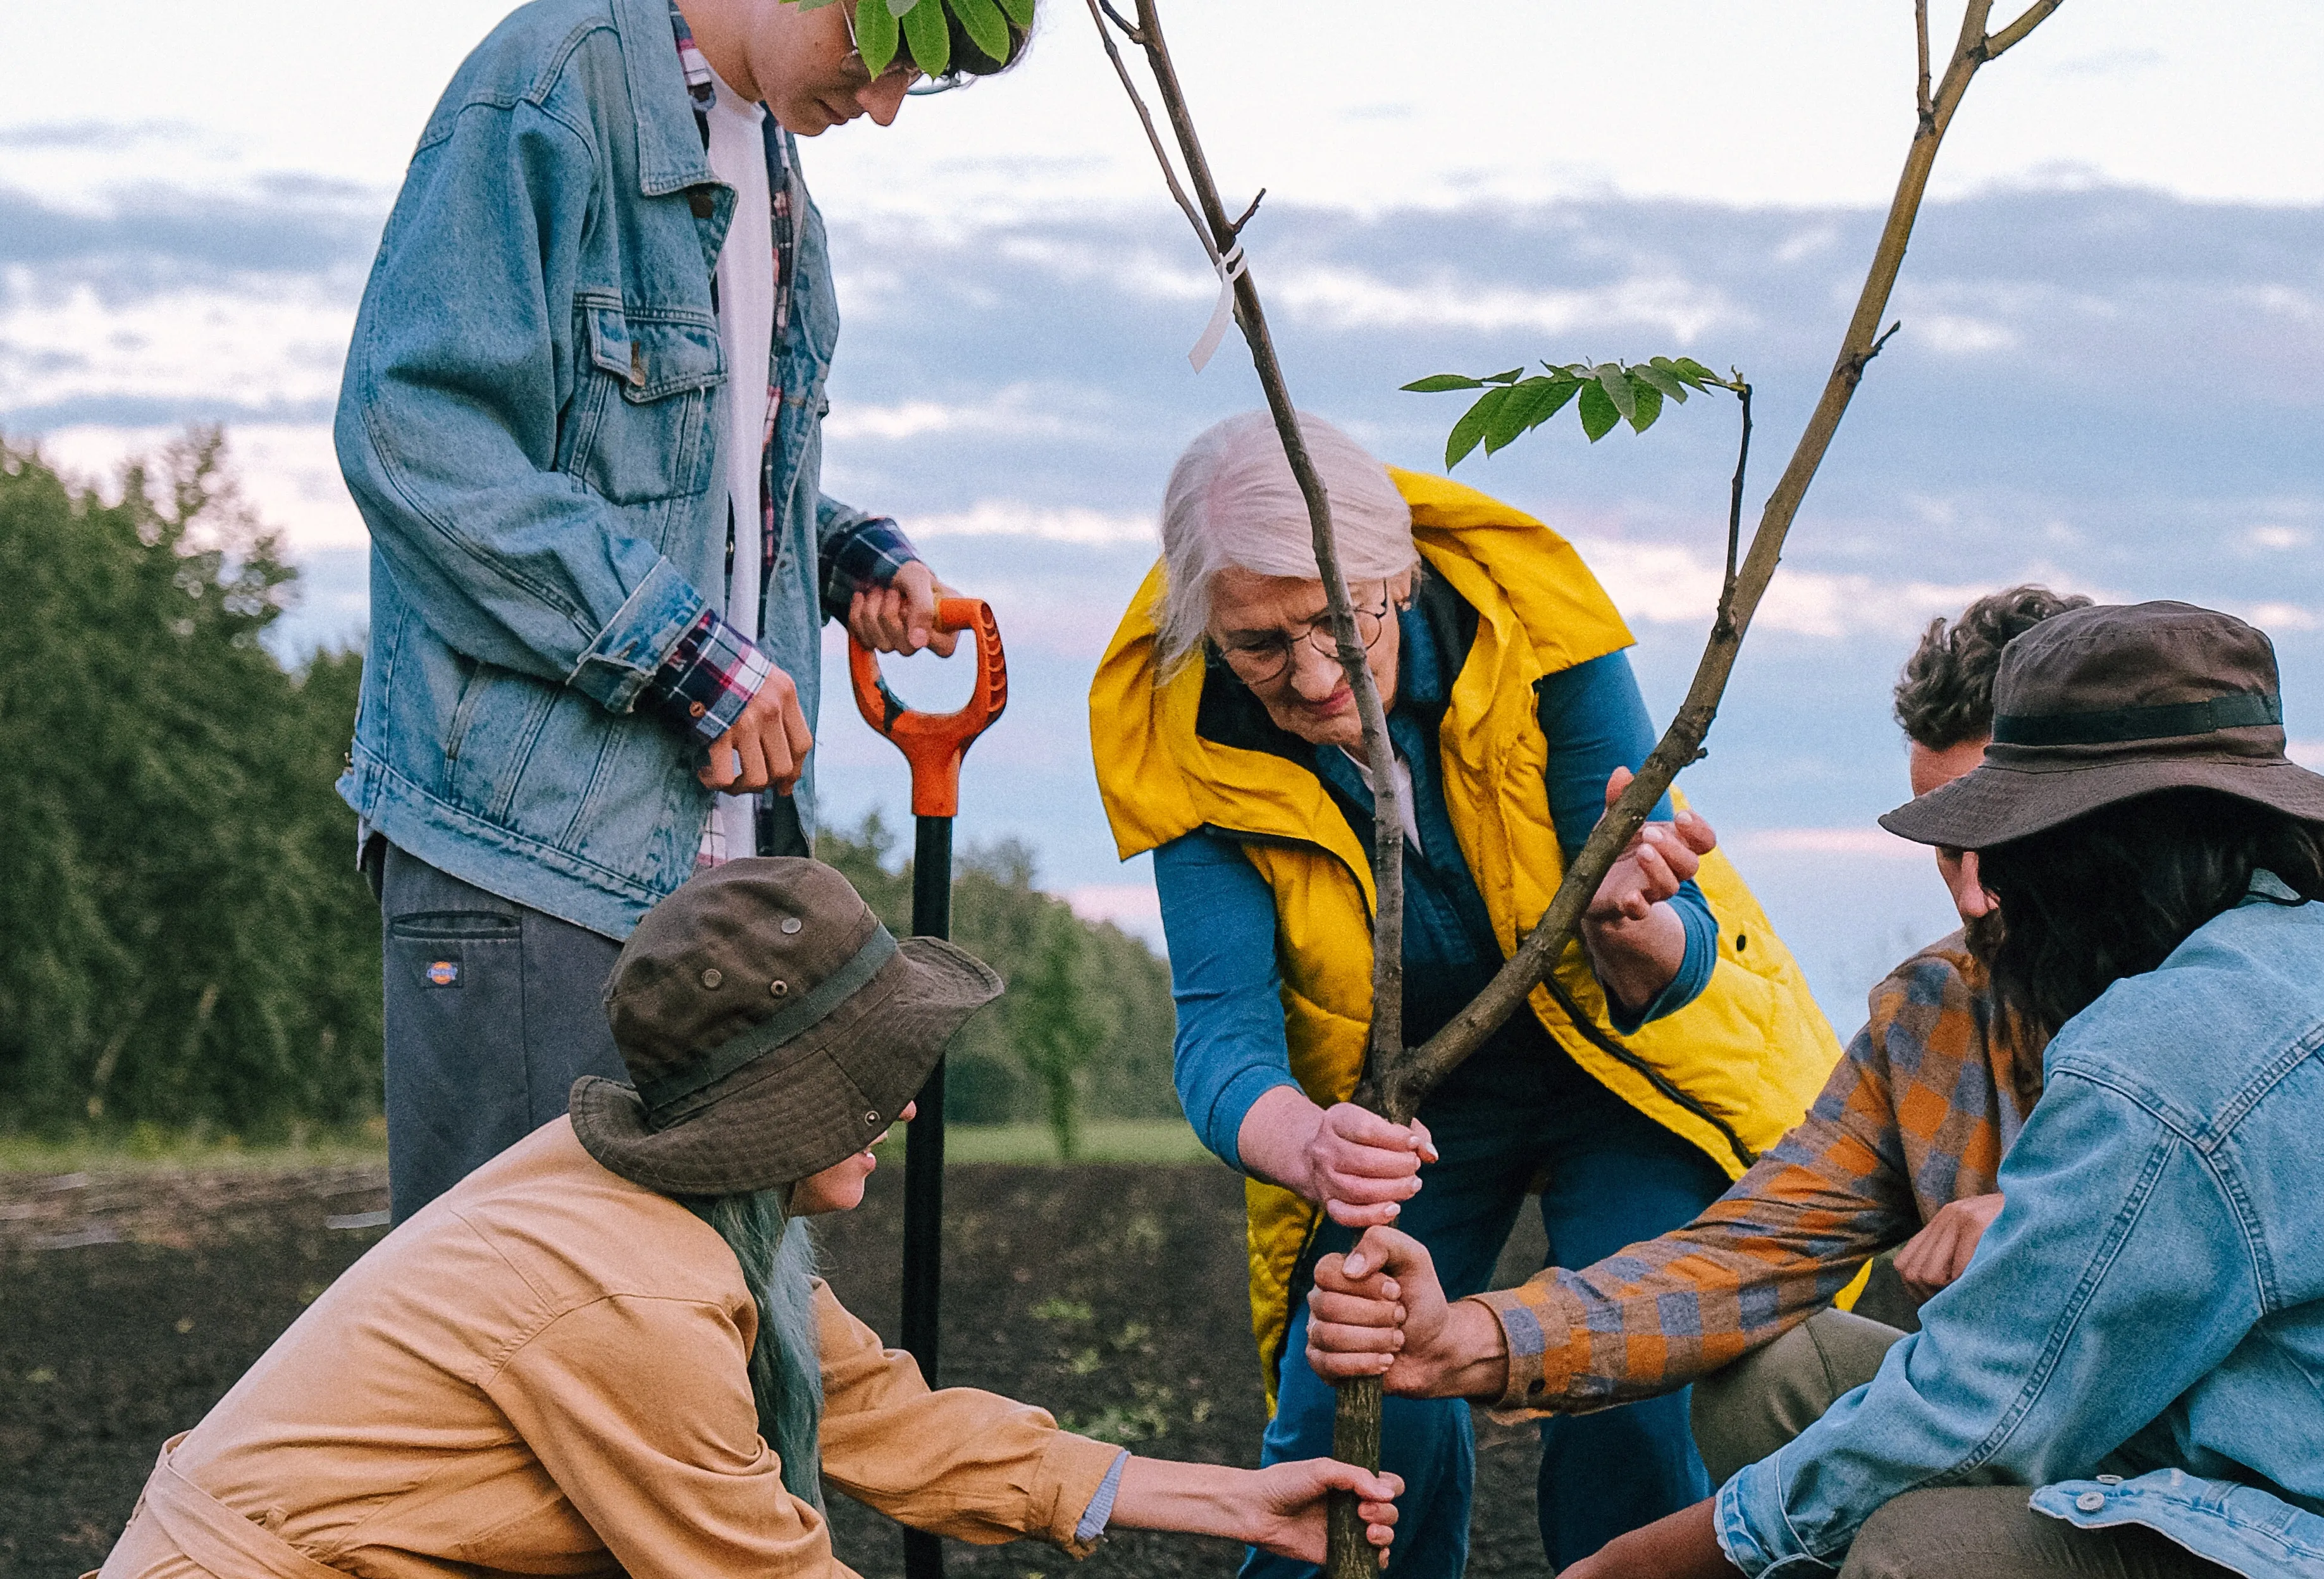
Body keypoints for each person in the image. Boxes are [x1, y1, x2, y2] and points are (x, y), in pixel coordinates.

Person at [1313, 601, 2324, 1578]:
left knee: (1924, 1547)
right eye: (1956, 838)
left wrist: (1638, 1564)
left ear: (2102, 846)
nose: (1975, 887)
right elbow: (1749, 1253)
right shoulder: (1945, 1007)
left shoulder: (2254, 990)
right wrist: (1476, 1338)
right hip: (2207, 1442)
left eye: (2002, 839)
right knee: (1774, 1377)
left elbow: (1980, 1410)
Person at [91, 858, 1402, 1579]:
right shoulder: (637, 1294)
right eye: (875, 1084)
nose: (902, 1116)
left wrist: (1238, 1503)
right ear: (778, 1106)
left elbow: (886, 1417)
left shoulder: (704, 1217)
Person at [1086, 412, 1847, 1577]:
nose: (1313, 676)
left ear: (1400, 573)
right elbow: (1221, 1041)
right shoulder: (1183, 734)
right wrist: (1311, 1146)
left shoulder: (1537, 623)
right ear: (1205, 632)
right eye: (1258, 643)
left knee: (1635, 1390)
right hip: (1397, 1110)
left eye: (1342, 621)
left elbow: (1681, 947)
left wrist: (1627, 928)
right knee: (1360, 1389)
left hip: (1626, 1069)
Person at [335, 0, 993, 1221]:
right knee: (527, 1323)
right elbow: (417, 436)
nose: (890, 104)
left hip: (719, 868)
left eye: (931, 81)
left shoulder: (771, 161)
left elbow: (695, 461)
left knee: (704, 1322)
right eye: (891, 49)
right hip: (534, 860)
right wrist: (689, 656)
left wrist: (845, 557)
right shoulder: (547, 90)